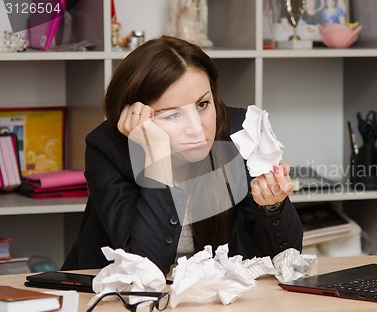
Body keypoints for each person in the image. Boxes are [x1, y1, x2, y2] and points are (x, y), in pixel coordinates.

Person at [61, 35, 303, 274]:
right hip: (107, 299)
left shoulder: (239, 134)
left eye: (203, 104)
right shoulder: (108, 148)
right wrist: (156, 163)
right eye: (172, 114)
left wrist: (272, 206)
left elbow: (286, 260)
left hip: (205, 301)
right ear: (138, 117)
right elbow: (144, 269)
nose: (197, 128)